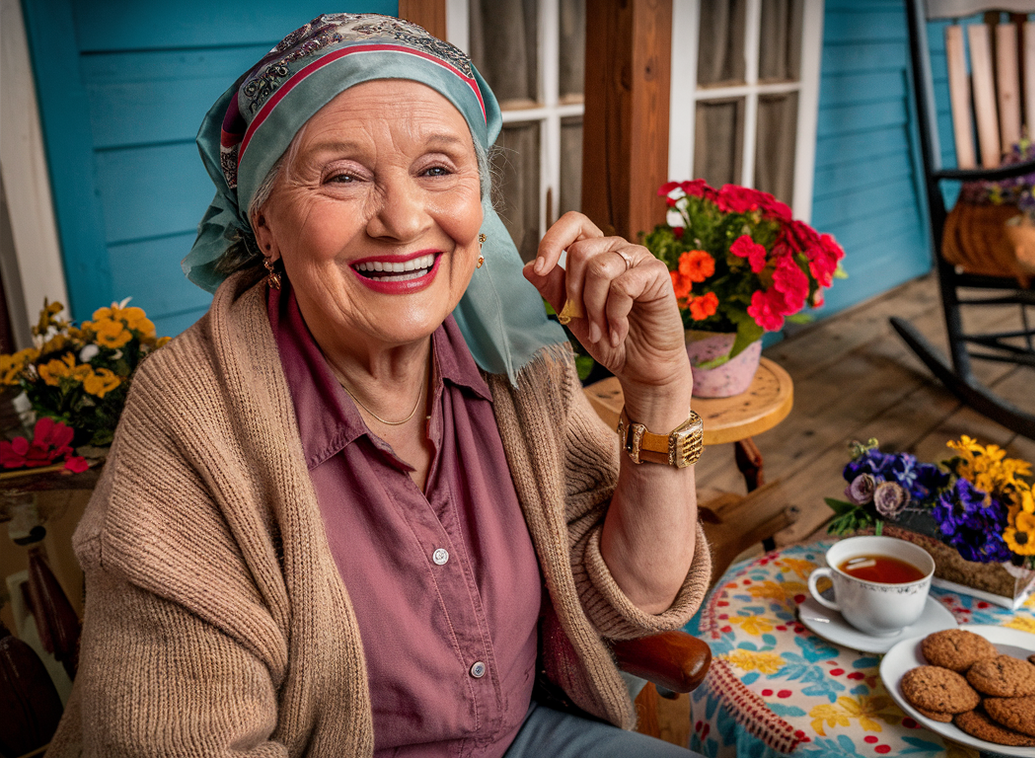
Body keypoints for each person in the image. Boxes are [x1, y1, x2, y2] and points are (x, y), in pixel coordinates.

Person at [46, 14, 711, 758]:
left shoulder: (513, 354)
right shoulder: (193, 419)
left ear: (479, 200)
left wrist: (658, 391)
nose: (402, 220)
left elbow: (632, 602)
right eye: (342, 176)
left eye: (436, 169)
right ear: (263, 224)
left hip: (528, 733)